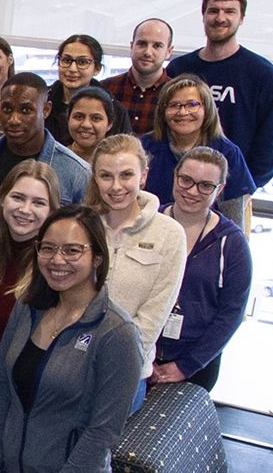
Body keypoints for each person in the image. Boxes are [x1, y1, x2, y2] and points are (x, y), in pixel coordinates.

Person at [0, 206, 141, 472]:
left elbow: (102, 433)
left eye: (72, 250)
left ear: (98, 258)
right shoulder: (26, 307)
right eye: (48, 248)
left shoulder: (117, 333)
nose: (57, 260)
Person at [0, 160, 62, 468]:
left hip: (25, 400)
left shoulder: (56, 270)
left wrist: (0, 402)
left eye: (38, 203)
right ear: (2, 198)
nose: (25, 210)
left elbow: (50, 352)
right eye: (18, 197)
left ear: (52, 211)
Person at [86, 135, 185, 403]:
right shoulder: (83, 224)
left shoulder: (170, 234)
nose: (116, 186)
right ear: (95, 178)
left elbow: (154, 315)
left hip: (125, 373)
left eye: (126, 175)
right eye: (106, 176)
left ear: (143, 176)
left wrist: (109, 361)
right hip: (72, 365)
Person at [165, 0, 273, 187]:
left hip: (233, 187)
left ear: (241, 18)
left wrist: (247, 186)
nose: (220, 18)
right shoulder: (179, 68)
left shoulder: (263, 74)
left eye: (229, 11)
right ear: (203, 16)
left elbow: (272, 142)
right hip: (179, 186)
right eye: (213, 11)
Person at [153, 147, 252, 390]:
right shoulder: (146, 222)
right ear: (175, 176)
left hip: (196, 365)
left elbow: (232, 313)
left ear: (220, 188)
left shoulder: (231, 243)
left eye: (205, 185)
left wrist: (186, 365)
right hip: (138, 353)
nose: (192, 191)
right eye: (186, 180)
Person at [0, 72, 91, 207]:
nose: (14, 120)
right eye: (7, 109)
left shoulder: (77, 173)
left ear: (46, 110)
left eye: (25, 110)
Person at [142, 74, 256, 221]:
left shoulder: (228, 153)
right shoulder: (145, 147)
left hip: (206, 237)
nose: (183, 112)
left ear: (207, 109)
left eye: (192, 105)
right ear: (162, 112)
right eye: (174, 105)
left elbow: (232, 217)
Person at [100, 19, 175, 134]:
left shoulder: (176, 95)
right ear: (131, 46)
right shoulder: (105, 89)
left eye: (157, 46)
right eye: (142, 44)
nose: (148, 52)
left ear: (169, 52)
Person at [44, 34, 105, 144]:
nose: (72, 69)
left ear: (97, 68)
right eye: (66, 60)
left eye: (82, 62)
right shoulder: (42, 100)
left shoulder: (110, 107)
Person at [64, 86, 130, 163]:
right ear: (68, 119)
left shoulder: (121, 162)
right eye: (79, 117)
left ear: (109, 124)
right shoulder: (55, 159)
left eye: (96, 118)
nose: (86, 125)